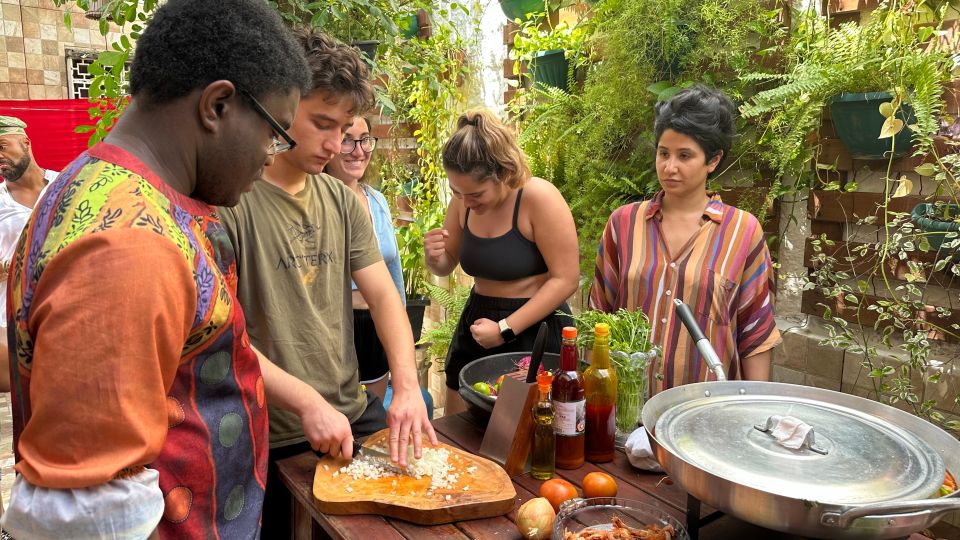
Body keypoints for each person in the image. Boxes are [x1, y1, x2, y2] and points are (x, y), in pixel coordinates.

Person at [0, 1, 341, 537]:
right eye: (274, 133)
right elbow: (85, 512)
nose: (270, 155)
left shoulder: (106, 186)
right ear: (218, 105)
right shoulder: (129, 247)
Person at [217, 29, 436, 537]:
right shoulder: (234, 202)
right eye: (322, 124)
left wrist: (404, 385)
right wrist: (306, 402)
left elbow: (384, 298)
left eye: (344, 128)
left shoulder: (341, 201)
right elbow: (224, 334)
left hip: (350, 415)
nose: (337, 144)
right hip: (270, 434)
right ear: (282, 103)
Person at [589, 84, 781, 393]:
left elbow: (755, 332)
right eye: (663, 153)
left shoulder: (742, 232)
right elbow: (599, 315)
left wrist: (754, 409)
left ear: (713, 161)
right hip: (628, 408)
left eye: (685, 155)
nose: (669, 167)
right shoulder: (623, 223)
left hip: (705, 415)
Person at [424, 109, 579, 415]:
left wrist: (506, 328)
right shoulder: (463, 200)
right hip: (478, 322)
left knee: (531, 434)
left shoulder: (539, 198)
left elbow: (566, 279)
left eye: (475, 194)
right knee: (461, 428)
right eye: (457, 192)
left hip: (535, 329)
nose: (465, 202)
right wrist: (434, 258)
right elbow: (447, 263)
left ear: (504, 174)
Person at [324, 116, 403, 402]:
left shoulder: (377, 201)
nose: (359, 150)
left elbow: (394, 276)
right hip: (334, 328)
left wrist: (399, 338)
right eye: (347, 139)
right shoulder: (313, 205)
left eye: (365, 139)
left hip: (375, 327)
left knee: (373, 420)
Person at [0, 115, 55, 393]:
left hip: (60, 312)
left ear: (26, 142)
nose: (0, 157)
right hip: (9, 321)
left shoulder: (64, 186)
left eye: (2, 146)